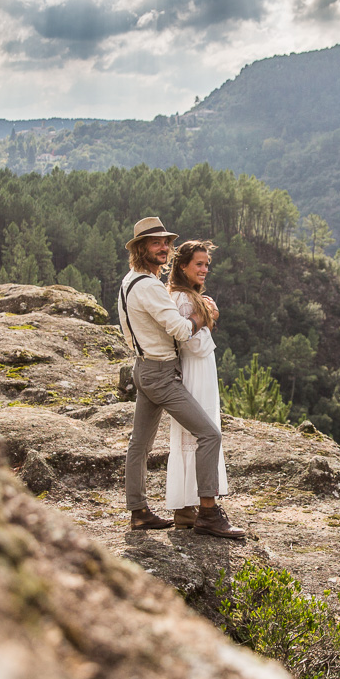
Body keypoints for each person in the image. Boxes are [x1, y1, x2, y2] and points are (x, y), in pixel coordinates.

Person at [118, 217, 244, 539]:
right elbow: (180, 330)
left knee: (139, 444)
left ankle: (139, 512)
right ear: (141, 248)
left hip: (143, 367)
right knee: (209, 435)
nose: (163, 248)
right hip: (161, 374)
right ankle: (208, 514)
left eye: (166, 243)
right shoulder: (149, 286)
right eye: (155, 243)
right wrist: (204, 316)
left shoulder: (129, 281)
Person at [164, 240, 229, 516]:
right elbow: (193, 343)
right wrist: (210, 317)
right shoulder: (182, 298)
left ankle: (187, 506)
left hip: (202, 370)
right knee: (197, 435)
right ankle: (193, 506)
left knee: (196, 435)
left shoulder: (191, 296)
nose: (204, 270)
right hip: (193, 371)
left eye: (206, 265)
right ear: (182, 266)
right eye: (198, 264)